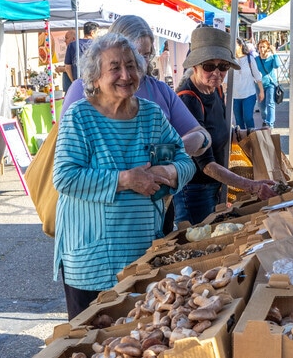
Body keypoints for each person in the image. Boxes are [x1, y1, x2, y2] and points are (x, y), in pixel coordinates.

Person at [52, 33, 195, 320]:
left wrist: (169, 172)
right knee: (92, 339)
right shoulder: (80, 117)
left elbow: (185, 162)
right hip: (91, 260)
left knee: (138, 338)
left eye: (131, 66)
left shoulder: (152, 115)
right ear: (94, 76)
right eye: (115, 68)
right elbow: (65, 177)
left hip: (141, 253)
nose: (125, 75)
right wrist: (125, 179)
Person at [62, 15, 211, 159]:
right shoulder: (81, 89)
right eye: (133, 55)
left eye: (145, 55)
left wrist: (171, 152)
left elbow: (201, 134)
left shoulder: (160, 91)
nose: (139, 63)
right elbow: (65, 152)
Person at [174, 27, 277, 225]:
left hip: (214, 185)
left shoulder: (216, 90)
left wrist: (249, 133)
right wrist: (252, 186)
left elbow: (220, 131)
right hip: (194, 190)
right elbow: (206, 165)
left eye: (222, 66)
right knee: (199, 242)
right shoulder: (188, 100)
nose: (216, 72)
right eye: (208, 66)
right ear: (195, 66)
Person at [229, 37, 264, 130]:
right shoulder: (230, 61)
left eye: (234, 45)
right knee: (239, 121)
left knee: (248, 118)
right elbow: (225, 80)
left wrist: (261, 91)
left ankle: (252, 140)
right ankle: (242, 143)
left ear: (240, 45)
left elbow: (257, 75)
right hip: (235, 96)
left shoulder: (249, 58)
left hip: (249, 93)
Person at [62, 22, 98, 93]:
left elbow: (67, 67)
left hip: (79, 82)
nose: (97, 35)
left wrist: (74, 82)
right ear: (92, 32)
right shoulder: (98, 45)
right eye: (97, 32)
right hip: (95, 83)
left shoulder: (72, 45)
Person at [255, 39, 282, 128]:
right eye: (260, 47)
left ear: (267, 48)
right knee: (261, 106)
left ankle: (270, 124)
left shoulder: (271, 58)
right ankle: (265, 119)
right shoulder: (256, 59)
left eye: (264, 47)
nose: (262, 49)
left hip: (270, 84)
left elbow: (277, 65)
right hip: (259, 85)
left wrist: (274, 53)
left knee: (270, 103)